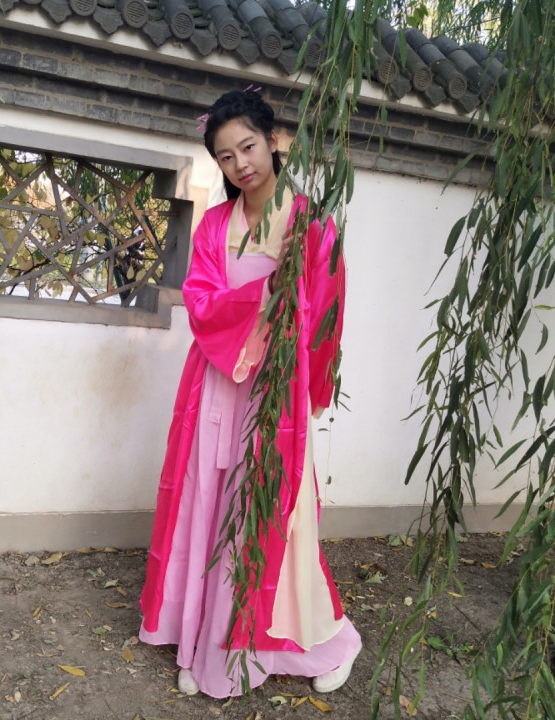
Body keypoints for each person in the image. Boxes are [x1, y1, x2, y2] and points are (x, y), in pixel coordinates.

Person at [139, 90, 361, 699]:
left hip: (275, 394)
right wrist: (265, 291)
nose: (241, 164)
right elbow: (201, 303)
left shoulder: (313, 223)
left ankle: (330, 642)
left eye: (249, 147)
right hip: (217, 378)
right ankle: (201, 640)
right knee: (209, 504)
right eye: (226, 156)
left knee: (271, 521)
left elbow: (326, 319)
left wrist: (311, 389)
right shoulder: (216, 224)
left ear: (274, 141)